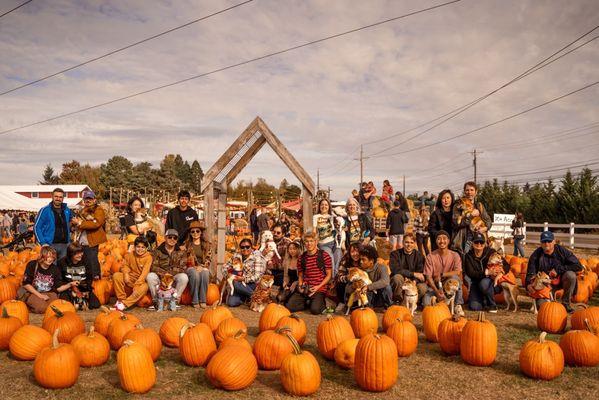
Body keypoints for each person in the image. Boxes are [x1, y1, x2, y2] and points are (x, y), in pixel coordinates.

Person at [525, 231, 582, 313]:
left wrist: (558, 270)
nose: (547, 244)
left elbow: (578, 266)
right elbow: (530, 273)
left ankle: (566, 304)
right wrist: (528, 285)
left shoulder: (562, 251)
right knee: (542, 307)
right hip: (544, 286)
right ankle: (548, 303)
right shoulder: (535, 255)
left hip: (561, 281)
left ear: (554, 241)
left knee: (571, 275)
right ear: (540, 243)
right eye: (544, 241)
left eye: (549, 241)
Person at [286, 231, 332, 315]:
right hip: (306, 287)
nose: (309, 243)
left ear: (316, 242)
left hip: (319, 288)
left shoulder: (324, 256)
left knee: (315, 310)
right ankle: (308, 302)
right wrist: (300, 286)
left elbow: (329, 275)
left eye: (311, 241)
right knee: (289, 307)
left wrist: (318, 287)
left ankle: (319, 302)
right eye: (306, 241)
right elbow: (300, 275)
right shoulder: (301, 258)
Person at [20, 246, 75, 313]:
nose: (50, 259)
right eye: (48, 257)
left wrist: (70, 284)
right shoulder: (33, 265)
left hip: (50, 293)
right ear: (42, 256)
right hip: (34, 292)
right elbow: (26, 284)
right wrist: (40, 295)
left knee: (55, 308)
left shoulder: (55, 269)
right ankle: (27, 306)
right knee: (42, 308)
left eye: (52, 257)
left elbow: (58, 288)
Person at [422, 230, 465, 316]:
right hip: (435, 286)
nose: (442, 241)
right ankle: (439, 301)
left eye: (444, 238)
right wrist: (437, 291)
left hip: (450, 285)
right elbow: (428, 277)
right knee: (426, 304)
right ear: (436, 241)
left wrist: (442, 274)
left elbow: (458, 271)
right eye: (439, 239)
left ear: (448, 241)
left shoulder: (455, 255)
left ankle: (457, 304)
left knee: (456, 278)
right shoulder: (430, 256)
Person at [463, 233, 507, 313]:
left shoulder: (491, 252)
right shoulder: (468, 256)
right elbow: (471, 273)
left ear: (485, 243)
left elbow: (507, 265)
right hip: (476, 283)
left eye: (481, 242)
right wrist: (487, 272)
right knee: (474, 307)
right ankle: (484, 299)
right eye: (476, 242)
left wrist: (501, 271)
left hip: (491, 282)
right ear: (472, 243)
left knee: (484, 283)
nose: (479, 244)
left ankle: (492, 304)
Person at [146, 229, 188, 310]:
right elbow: (153, 266)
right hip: (161, 277)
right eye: (170, 237)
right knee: (150, 276)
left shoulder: (181, 252)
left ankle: (174, 301)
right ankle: (157, 302)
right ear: (165, 238)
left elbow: (182, 267)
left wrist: (170, 274)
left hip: (174, 277)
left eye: (175, 238)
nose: (172, 239)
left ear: (177, 240)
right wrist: (164, 274)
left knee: (184, 277)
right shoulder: (157, 251)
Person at [71, 190, 105, 282]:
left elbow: (96, 223)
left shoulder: (98, 210)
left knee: (92, 260)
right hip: (81, 240)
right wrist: (74, 224)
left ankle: (96, 280)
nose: (88, 200)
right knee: (84, 260)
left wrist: (80, 223)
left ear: (94, 200)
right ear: (83, 200)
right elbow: (76, 222)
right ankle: (86, 279)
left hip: (92, 240)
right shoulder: (82, 210)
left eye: (90, 198)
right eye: (86, 198)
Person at [112, 236, 152, 311]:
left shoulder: (148, 258)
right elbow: (125, 266)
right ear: (134, 247)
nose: (140, 249)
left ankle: (124, 304)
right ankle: (121, 299)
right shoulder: (130, 255)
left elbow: (144, 273)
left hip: (141, 281)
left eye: (143, 247)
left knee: (144, 287)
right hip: (130, 278)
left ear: (146, 248)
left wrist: (137, 284)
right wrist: (126, 274)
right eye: (138, 247)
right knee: (116, 276)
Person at [452, 181, 492, 255]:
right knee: (463, 264)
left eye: (472, 190)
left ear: (476, 192)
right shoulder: (458, 206)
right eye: (467, 190)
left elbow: (489, 221)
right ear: (464, 192)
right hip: (462, 241)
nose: (469, 192)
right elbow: (456, 223)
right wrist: (471, 216)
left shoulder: (479, 206)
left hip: (478, 241)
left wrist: (485, 228)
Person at [58, 243, 101, 309]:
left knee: (95, 304)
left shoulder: (86, 261)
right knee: (66, 304)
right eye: (77, 253)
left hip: (83, 288)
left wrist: (84, 288)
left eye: (81, 252)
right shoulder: (62, 262)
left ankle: (80, 301)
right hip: (68, 288)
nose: (80, 255)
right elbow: (60, 279)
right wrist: (71, 286)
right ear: (71, 254)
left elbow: (89, 278)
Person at [227, 238, 268, 307]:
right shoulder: (237, 256)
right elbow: (225, 267)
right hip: (240, 284)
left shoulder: (256, 257)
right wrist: (229, 272)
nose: (245, 249)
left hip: (252, 284)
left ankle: (256, 297)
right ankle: (247, 297)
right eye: (242, 247)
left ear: (251, 247)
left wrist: (243, 279)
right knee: (231, 303)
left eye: (247, 247)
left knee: (236, 284)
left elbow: (257, 277)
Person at [34, 187, 73, 260]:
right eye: (56, 196)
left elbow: (71, 222)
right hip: (50, 245)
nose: (58, 199)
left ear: (63, 198)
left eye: (60, 197)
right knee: (51, 268)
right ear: (52, 196)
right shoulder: (45, 210)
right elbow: (37, 227)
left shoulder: (66, 210)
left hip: (64, 245)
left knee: (63, 268)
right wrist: (43, 242)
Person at [349, 245, 392, 310]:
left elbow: (385, 281)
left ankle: (388, 306)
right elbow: (349, 286)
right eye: (360, 259)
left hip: (380, 296)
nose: (360, 262)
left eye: (363, 260)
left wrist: (368, 287)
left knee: (387, 287)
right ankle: (365, 308)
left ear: (371, 261)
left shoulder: (381, 267)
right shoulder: (360, 270)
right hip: (368, 298)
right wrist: (354, 285)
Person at [389, 233, 427, 304]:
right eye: (406, 242)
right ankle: (398, 300)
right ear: (402, 242)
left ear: (414, 244)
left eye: (411, 242)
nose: (409, 245)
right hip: (401, 281)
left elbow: (421, 272)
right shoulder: (395, 254)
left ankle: (413, 302)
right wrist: (413, 274)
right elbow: (395, 269)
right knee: (397, 278)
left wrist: (415, 281)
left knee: (423, 288)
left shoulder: (419, 256)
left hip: (413, 282)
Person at [184, 221, 212, 308]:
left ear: (201, 232)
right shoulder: (186, 245)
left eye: (197, 231)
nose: (195, 233)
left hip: (202, 267)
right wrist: (194, 266)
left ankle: (202, 300)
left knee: (205, 273)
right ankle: (195, 300)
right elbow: (184, 260)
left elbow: (208, 259)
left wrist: (202, 266)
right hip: (190, 267)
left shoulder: (207, 245)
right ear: (190, 233)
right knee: (194, 273)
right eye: (193, 231)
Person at [333, 242, 362, 313]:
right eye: (352, 252)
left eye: (357, 251)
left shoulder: (363, 260)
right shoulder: (345, 260)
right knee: (339, 283)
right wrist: (347, 278)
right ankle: (342, 302)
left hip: (361, 284)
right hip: (347, 283)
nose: (355, 254)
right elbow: (339, 275)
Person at [313, 199, 338, 273]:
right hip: (324, 243)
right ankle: (332, 280)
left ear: (329, 206)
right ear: (319, 206)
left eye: (326, 205)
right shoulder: (316, 217)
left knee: (338, 259)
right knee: (330, 259)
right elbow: (314, 231)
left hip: (335, 242)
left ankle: (336, 277)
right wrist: (315, 243)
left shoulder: (332, 216)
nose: (324, 206)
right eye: (322, 204)